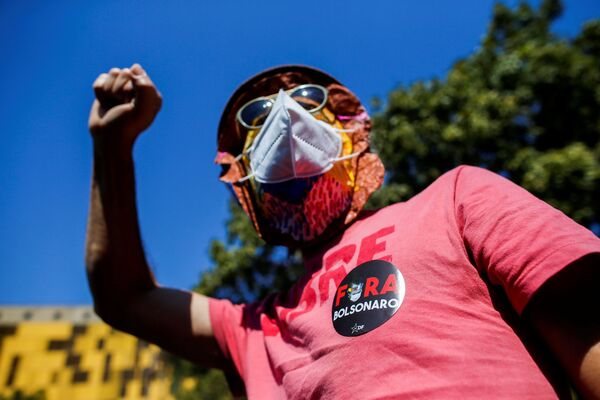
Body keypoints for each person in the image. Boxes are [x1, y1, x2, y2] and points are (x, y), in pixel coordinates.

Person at [86, 63, 600, 399]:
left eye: (308, 99)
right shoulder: (253, 330)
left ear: (348, 131)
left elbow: (586, 328)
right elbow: (125, 298)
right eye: (258, 115)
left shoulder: (457, 197)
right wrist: (112, 146)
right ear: (242, 173)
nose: (285, 115)